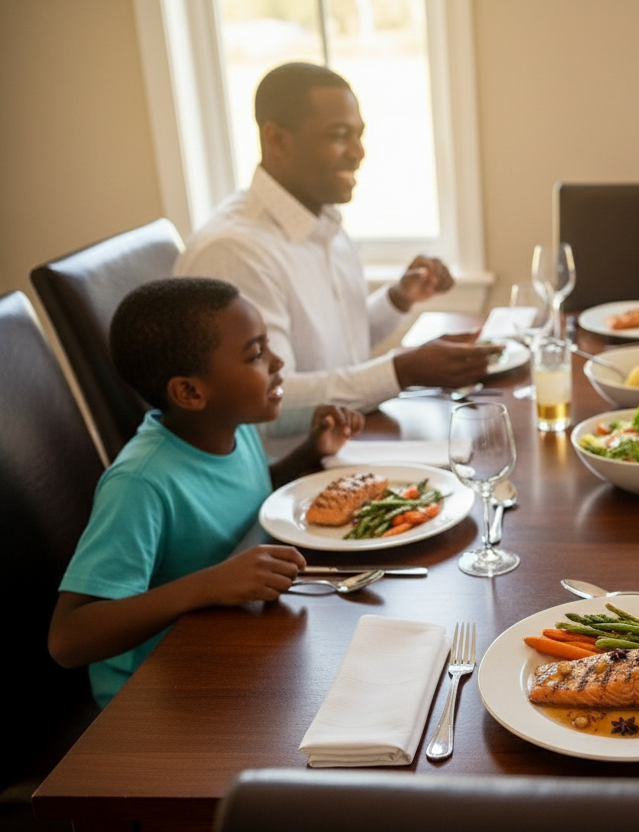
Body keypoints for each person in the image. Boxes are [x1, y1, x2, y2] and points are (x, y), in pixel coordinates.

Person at [48, 278, 364, 708]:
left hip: (225, 642)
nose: (277, 361)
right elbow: (68, 639)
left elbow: (240, 500)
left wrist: (310, 452)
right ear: (191, 392)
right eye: (255, 354)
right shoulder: (140, 483)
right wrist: (208, 585)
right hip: (153, 693)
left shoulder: (234, 427)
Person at [174, 61, 500, 437]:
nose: (359, 152)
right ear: (277, 140)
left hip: (344, 438)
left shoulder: (322, 218)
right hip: (291, 467)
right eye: (339, 135)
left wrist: (398, 298)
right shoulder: (235, 252)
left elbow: (336, 347)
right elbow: (268, 399)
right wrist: (404, 370)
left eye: (360, 134)